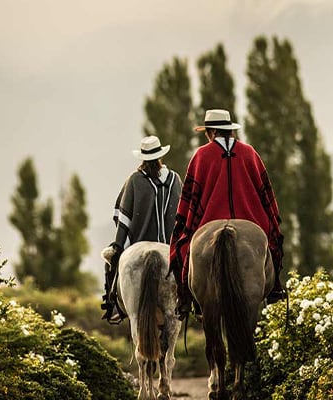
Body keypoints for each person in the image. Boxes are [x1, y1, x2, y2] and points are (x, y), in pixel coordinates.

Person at [169, 109, 287, 321]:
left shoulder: (201, 156)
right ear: (229, 130)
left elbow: (189, 200)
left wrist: (184, 228)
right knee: (272, 244)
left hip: (208, 221)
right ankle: (274, 289)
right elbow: (266, 195)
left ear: (211, 132)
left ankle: (184, 298)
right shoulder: (250, 153)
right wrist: (271, 223)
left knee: (182, 247)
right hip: (251, 218)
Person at [101, 135, 182, 324]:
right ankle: (192, 303)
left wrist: (118, 245)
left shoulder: (135, 179)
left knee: (110, 261)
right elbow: (182, 213)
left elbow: (123, 216)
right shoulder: (175, 179)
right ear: (160, 156)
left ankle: (112, 303)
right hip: (169, 244)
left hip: (139, 241)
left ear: (143, 158)